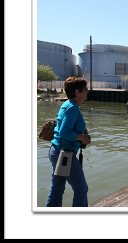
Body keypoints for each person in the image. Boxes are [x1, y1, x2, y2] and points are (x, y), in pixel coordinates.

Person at [45, 76, 91, 207]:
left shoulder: (67, 104)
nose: (87, 91)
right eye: (85, 89)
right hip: (65, 155)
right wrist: (82, 138)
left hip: (57, 151)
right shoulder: (72, 108)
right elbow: (65, 132)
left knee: (57, 190)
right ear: (77, 92)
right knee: (82, 189)